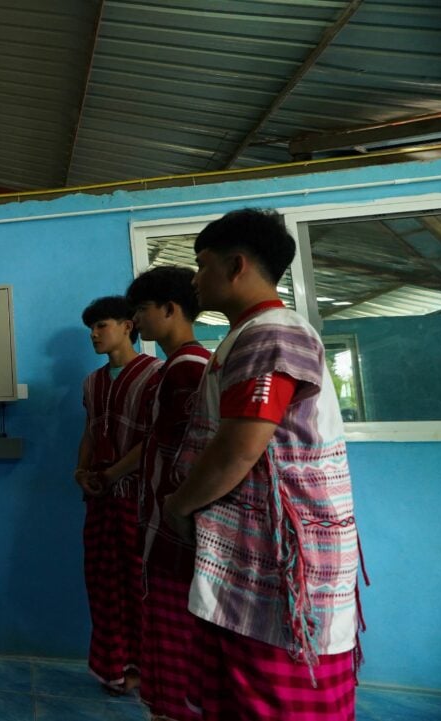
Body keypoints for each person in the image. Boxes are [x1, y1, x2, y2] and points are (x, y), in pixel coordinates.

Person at [164, 209, 364, 719]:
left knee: (274, 696)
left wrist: (179, 505)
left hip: (276, 555)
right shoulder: (248, 334)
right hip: (250, 548)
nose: (195, 279)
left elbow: (240, 447)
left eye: (202, 265)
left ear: (236, 266)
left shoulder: (271, 334)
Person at [126, 267, 211, 721]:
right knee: (163, 629)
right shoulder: (174, 368)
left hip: (179, 530)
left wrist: (179, 510)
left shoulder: (188, 369)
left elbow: (195, 455)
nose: (136, 320)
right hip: (163, 522)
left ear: (170, 310)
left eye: (142, 309)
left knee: (180, 635)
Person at [74, 295, 161, 694]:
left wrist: (112, 474)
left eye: (101, 325)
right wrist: (81, 471)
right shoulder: (91, 382)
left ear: (128, 326)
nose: (94, 334)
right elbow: (91, 430)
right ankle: (112, 668)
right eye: (90, 328)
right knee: (102, 583)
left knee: (139, 584)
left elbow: (155, 439)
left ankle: (145, 671)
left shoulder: (156, 374)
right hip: (100, 500)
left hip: (139, 499)